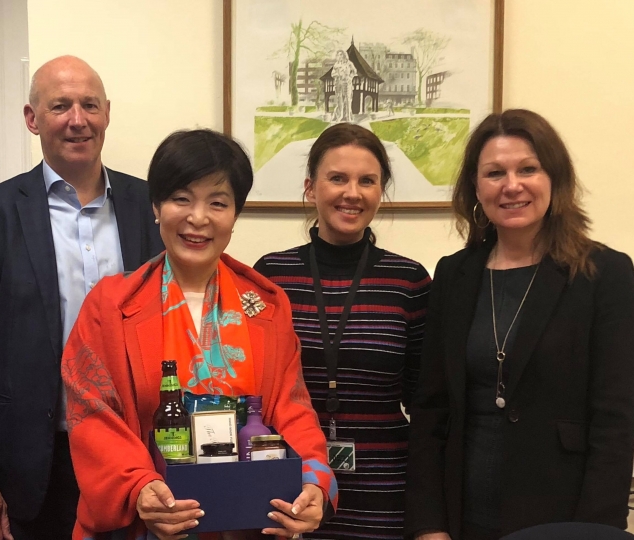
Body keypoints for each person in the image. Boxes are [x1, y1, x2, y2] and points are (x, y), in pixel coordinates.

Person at [61, 128, 337, 540]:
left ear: (235, 214)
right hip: (146, 525)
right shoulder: (111, 305)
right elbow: (92, 414)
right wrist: (139, 487)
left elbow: (291, 407)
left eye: (218, 203)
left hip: (247, 523)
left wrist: (315, 481)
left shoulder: (265, 304)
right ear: (156, 207)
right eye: (181, 199)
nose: (198, 218)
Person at [0, 55, 163, 540]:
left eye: (89, 105)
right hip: (30, 468)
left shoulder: (150, 207)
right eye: (60, 106)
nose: (77, 119)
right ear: (32, 118)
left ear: (107, 112)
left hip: (134, 459)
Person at [404, 109, 634, 540]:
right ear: (476, 187)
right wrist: (427, 524)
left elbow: (616, 421)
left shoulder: (605, 274)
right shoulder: (454, 274)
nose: (512, 185)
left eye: (528, 168)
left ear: (555, 178)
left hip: (561, 516)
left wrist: (593, 530)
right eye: (495, 173)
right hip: (461, 514)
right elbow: (431, 409)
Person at [254, 123, 431, 540]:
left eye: (367, 181)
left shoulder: (408, 281)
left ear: (380, 192)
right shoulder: (271, 277)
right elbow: (257, 393)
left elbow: (426, 402)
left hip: (386, 491)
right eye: (338, 178)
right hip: (291, 488)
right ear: (310, 188)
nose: (353, 192)